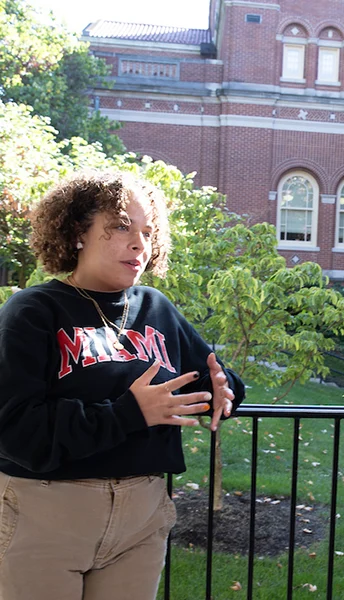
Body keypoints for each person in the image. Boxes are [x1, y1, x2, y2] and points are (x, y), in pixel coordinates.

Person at [0, 171, 245, 600]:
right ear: (78, 232)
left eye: (147, 231)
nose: (139, 244)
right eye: (120, 226)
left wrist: (223, 394)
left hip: (142, 518)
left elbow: (211, 381)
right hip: (44, 513)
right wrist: (129, 413)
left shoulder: (157, 308)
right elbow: (17, 430)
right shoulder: (33, 310)